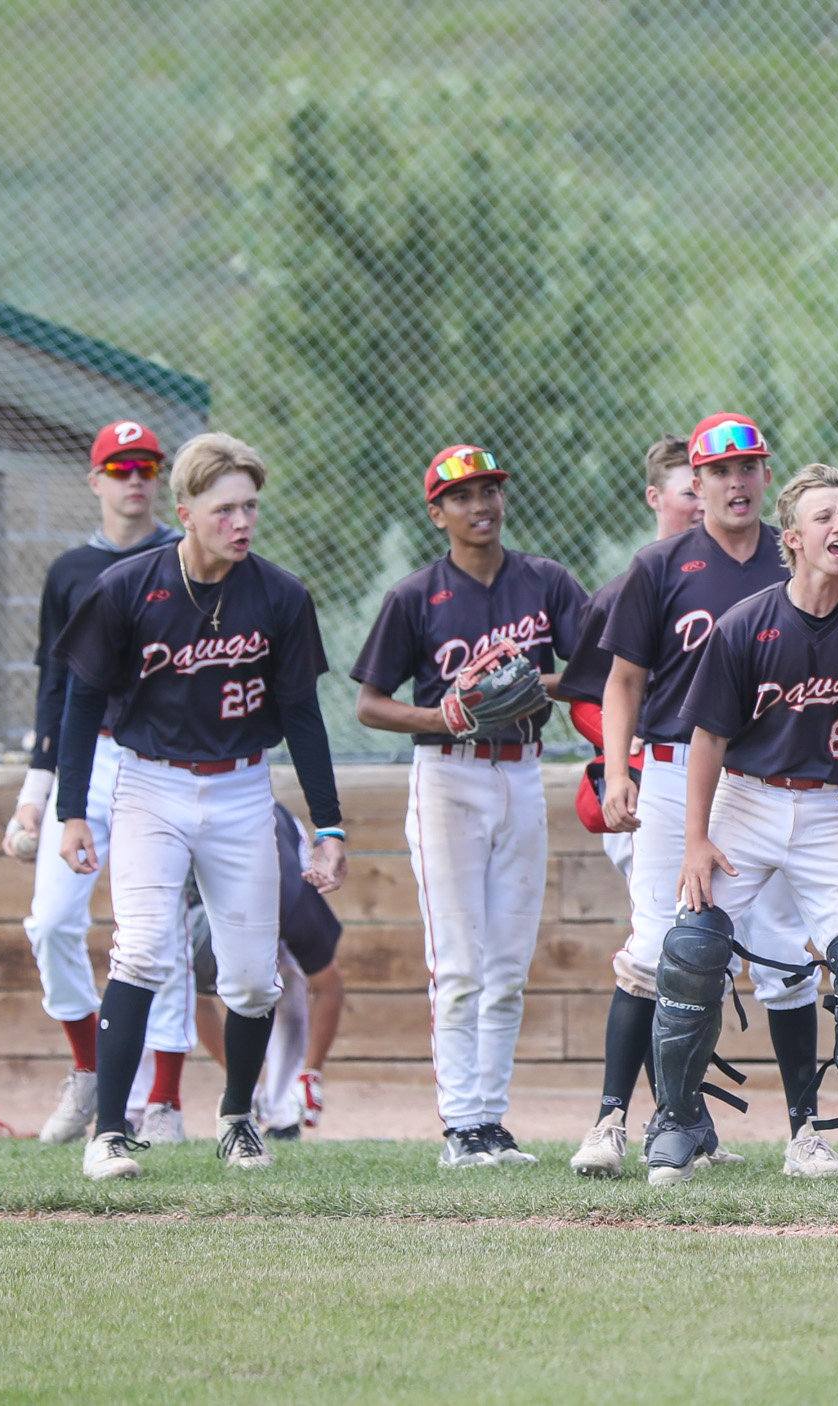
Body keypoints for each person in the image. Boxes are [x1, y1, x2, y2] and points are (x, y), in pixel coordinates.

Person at [52, 432, 347, 1180]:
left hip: (244, 786)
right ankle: (111, 1132)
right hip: (151, 782)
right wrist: (70, 811)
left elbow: (304, 717)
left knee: (251, 978)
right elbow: (82, 702)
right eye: (224, 509)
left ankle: (237, 1118)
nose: (242, 521)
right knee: (144, 948)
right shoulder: (129, 587)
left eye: (250, 506)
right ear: (184, 511)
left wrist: (329, 825)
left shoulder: (279, 595)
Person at [662, 462, 838, 1185]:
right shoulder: (746, 625)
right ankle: (681, 1123)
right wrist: (696, 839)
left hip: (832, 811)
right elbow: (708, 740)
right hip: (747, 803)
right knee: (693, 951)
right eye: (824, 517)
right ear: (793, 539)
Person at [582, 414, 838, 1182]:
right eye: (719, 471)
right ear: (694, 483)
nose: (735, 482)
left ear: (766, 478)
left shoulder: (789, 558)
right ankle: (611, 1121)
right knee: (658, 949)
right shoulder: (660, 566)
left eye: (749, 467)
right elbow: (622, 681)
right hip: (667, 770)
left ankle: (805, 1133)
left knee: (787, 955)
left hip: (763, 779)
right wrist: (618, 768)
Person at [351, 444, 589, 1169]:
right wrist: (443, 716)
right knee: (459, 963)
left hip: (521, 772)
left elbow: (595, 673)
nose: (480, 504)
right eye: (461, 495)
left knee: (509, 964)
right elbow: (369, 704)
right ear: (437, 513)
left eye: (489, 490)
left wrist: (536, 684)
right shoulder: (415, 596)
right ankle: (461, 1124)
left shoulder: (545, 582)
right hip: (448, 775)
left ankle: (492, 1119)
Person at [5, 421, 197, 1146]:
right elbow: (56, 688)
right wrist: (35, 789)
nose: (134, 480)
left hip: (161, 759)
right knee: (51, 921)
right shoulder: (69, 571)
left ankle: (165, 1100)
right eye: (119, 469)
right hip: (88, 757)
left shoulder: (182, 556)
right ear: (95, 482)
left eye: (147, 467)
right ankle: (90, 1072)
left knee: (157, 932)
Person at [555, 433, 706, 889]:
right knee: (668, 938)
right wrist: (623, 746)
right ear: (654, 498)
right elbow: (584, 699)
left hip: (735, 777)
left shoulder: (749, 588)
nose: (702, 503)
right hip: (650, 777)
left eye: (706, 488)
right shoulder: (621, 594)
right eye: (688, 493)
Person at [188, 803, 344, 1138]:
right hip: (194, 849)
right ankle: (256, 1093)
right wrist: (241, 1080)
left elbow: (329, 986)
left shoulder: (294, 909)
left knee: (289, 985)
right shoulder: (191, 920)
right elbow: (197, 1002)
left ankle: (284, 1103)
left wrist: (311, 1072)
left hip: (278, 846)